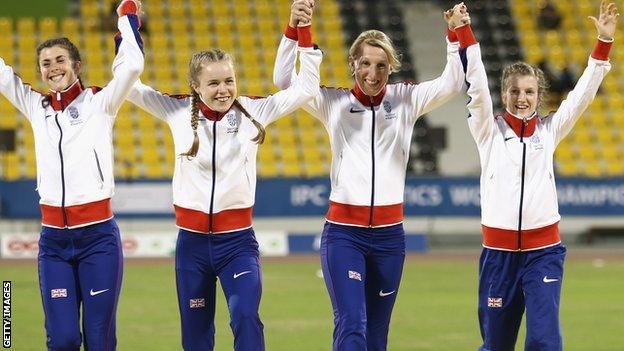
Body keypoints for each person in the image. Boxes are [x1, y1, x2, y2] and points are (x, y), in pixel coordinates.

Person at [120, 1, 321, 350]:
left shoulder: (253, 111)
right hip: (192, 245)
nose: (223, 89)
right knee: (196, 337)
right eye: (213, 83)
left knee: (245, 317)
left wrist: (299, 31)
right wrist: (128, 25)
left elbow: (305, 89)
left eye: (229, 80)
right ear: (196, 86)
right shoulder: (176, 110)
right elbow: (129, 85)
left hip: (238, 243)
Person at [273, 3, 464, 350]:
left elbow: (453, 82)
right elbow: (284, 82)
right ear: (353, 64)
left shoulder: (406, 98)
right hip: (344, 235)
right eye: (365, 64)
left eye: (380, 66)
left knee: (376, 335)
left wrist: (454, 35)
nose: (373, 74)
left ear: (390, 67)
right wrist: (296, 29)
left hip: (390, 238)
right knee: (352, 325)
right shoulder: (333, 101)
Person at [455, 1, 618, 349]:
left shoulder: (549, 131)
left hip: (543, 252)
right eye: (514, 91)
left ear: (539, 96)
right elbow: (476, 83)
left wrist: (602, 44)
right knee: (496, 344)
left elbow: (581, 97)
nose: (522, 98)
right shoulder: (488, 131)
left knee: (545, 341)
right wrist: (463, 32)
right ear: (504, 95)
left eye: (529, 92)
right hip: (498, 256)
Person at [0, 1, 144, 350]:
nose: (53, 68)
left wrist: (126, 16)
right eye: (45, 64)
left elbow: (133, 65)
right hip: (54, 244)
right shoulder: (37, 107)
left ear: (76, 65)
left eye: (60, 60)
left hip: (98, 240)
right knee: (62, 339)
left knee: (99, 338)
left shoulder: (100, 103)